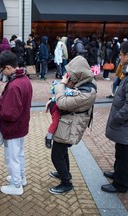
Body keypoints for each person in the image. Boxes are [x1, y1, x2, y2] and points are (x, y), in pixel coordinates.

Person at [49, 55, 97, 195]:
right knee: (62, 151)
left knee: (56, 155)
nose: (68, 77)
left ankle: (66, 183)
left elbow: (62, 102)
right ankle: (65, 173)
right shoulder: (84, 82)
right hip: (68, 123)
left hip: (71, 126)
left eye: (72, 74)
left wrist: (61, 85)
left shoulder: (87, 92)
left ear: (80, 74)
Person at [101, 39, 128, 193]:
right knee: (120, 152)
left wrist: (117, 119)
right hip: (125, 126)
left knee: (124, 156)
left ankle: (121, 184)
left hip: (126, 125)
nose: (119, 57)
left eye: (121, 54)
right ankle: (117, 174)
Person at [0, 50, 33, 196]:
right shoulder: (25, 80)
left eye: (2, 69)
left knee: (12, 157)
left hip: (13, 128)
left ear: (8, 67)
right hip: (21, 125)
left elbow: (8, 114)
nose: (2, 73)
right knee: (19, 154)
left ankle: (16, 185)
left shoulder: (14, 85)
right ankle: (20, 178)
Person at [45, 79, 80, 149]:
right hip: (56, 109)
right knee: (55, 123)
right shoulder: (63, 88)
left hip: (62, 109)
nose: (72, 84)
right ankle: (48, 137)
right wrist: (76, 92)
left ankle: (67, 141)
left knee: (64, 124)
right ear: (67, 82)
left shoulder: (68, 88)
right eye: (71, 82)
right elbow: (67, 92)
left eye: (74, 83)